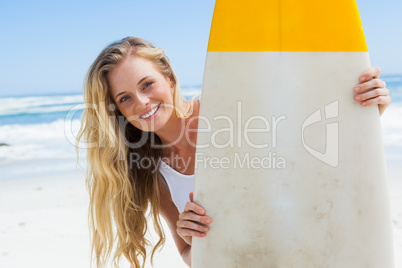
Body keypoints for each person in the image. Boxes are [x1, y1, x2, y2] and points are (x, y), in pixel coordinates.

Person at [76, 37, 391, 267]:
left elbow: (311, 149)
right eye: (126, 98)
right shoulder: (153, 173)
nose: (142, 102)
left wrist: (366, 110)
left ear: (169, 77)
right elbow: (190, 257)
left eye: (147, 84)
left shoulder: (227, 109)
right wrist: (192, 236)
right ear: (116, 109)